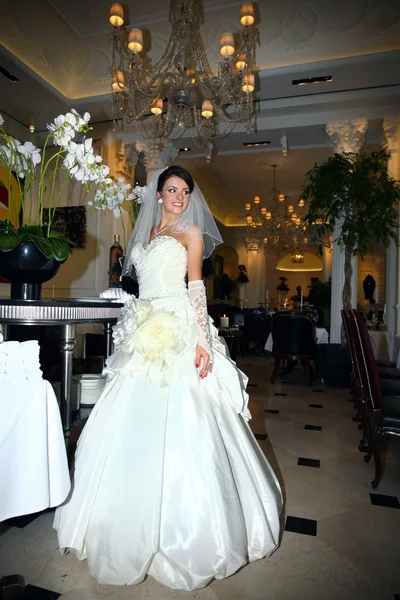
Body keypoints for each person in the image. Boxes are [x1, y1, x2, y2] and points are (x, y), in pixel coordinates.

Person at [54, 166, 282, 591]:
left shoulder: (191, 234)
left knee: (186, 417)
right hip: (143, 325)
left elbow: (197, 288)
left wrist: (200, 340)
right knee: (126, 419)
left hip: (179, 324)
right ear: (158, 194)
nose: (179, 196)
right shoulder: (143, 236)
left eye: (185, 191)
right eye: (172, 190)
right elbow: (137, 284)